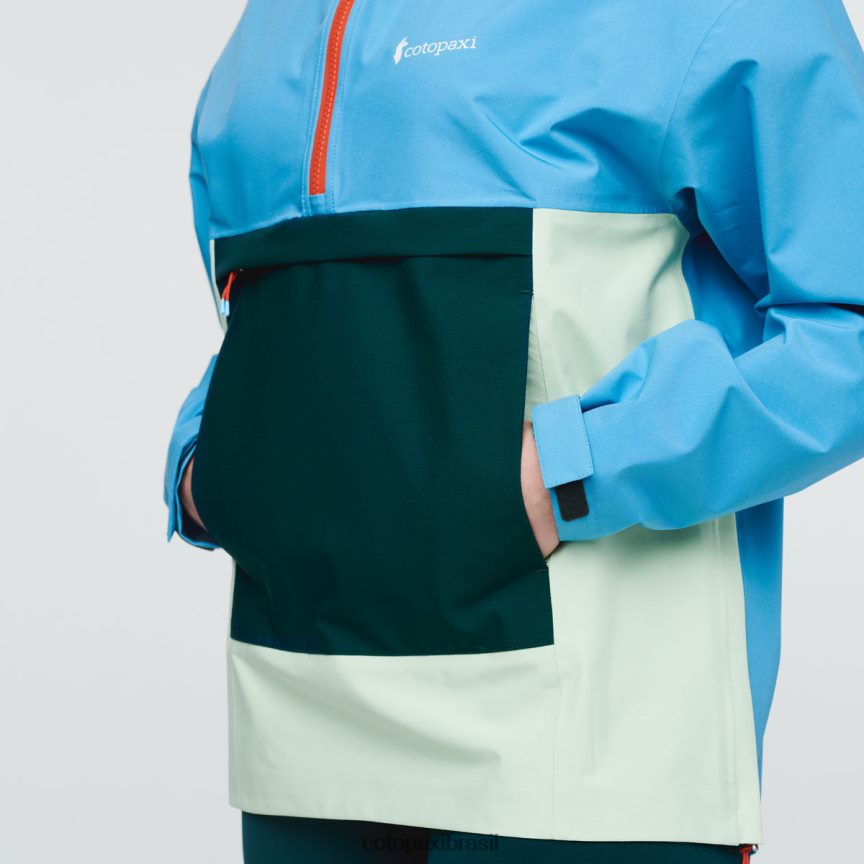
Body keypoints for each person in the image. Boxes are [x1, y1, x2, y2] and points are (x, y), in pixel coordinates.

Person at [163, 1, 864, 861]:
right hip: (298, 729)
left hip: (583, 756)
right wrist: (207, 461)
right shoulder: (270, 22)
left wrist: (571, 468)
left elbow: (848, 330)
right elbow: (264, 307)